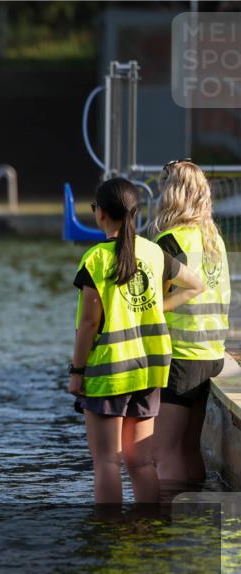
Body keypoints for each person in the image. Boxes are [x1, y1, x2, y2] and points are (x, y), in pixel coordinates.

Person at [68, 177, 205, 504]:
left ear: (100, 214)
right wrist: (159, 305)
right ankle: (147, 534)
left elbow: (88, 323)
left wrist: (76, 372)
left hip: (108, 372)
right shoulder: (154, 253)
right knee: (141, 462)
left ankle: (109, 536)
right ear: (135, 212)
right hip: (148, 371)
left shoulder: (96, 259)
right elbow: (195, 285)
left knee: (106, 463)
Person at [150, 161, 231, 491]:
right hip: (211, 354)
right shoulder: (214, 241)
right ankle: (194, 524)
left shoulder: (171, 241)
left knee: (163, 452)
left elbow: (152, 298)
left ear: (171, 194)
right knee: (188, 448)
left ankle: (165, 526)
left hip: (180, 356)